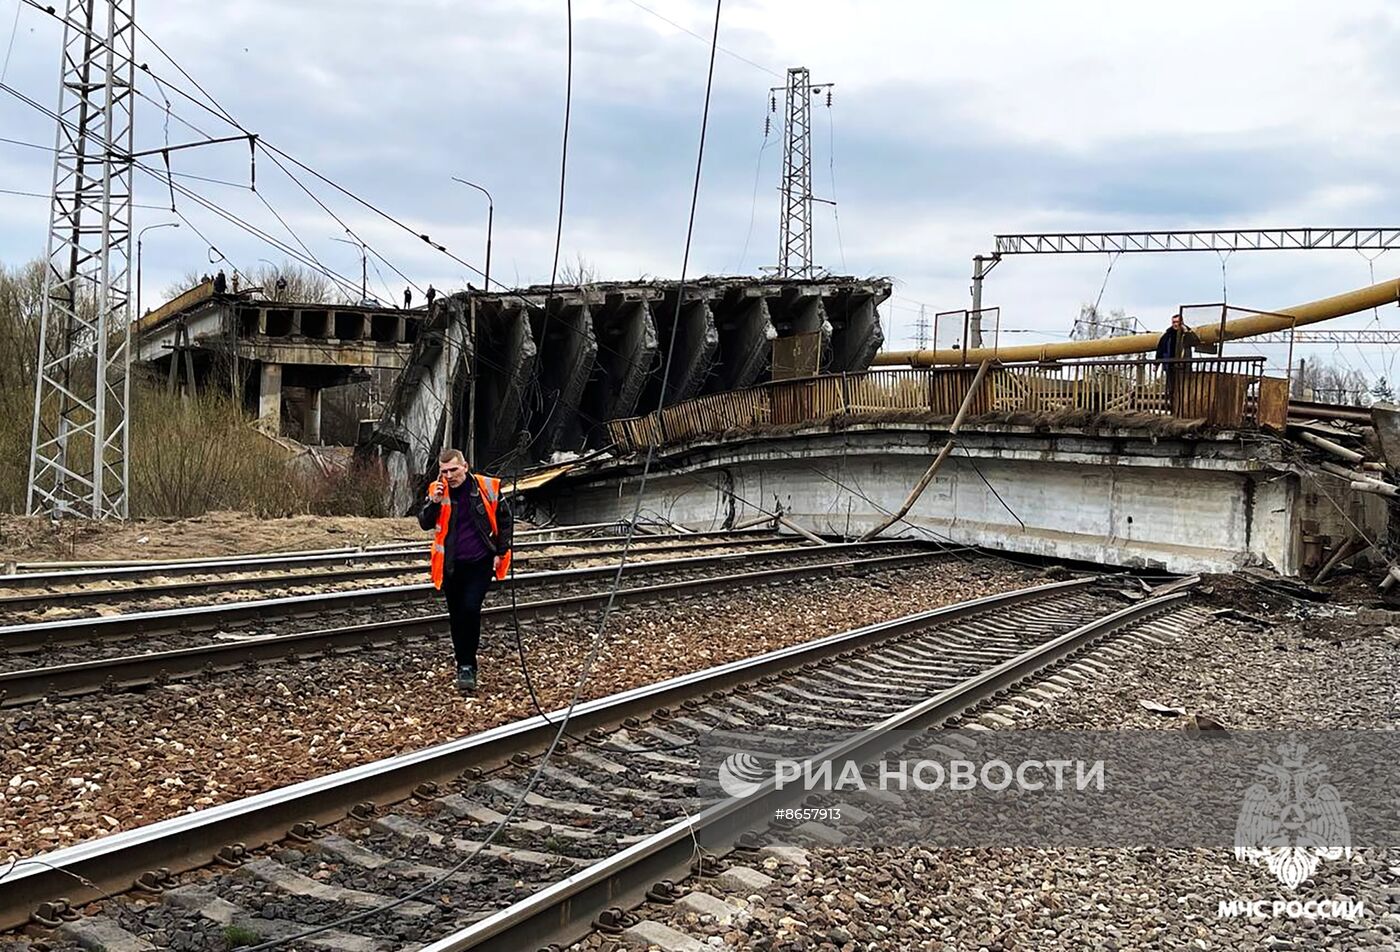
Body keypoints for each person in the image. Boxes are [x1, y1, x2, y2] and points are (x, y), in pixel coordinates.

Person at [418, 448, 513, 695]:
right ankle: (463, 665)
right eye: (445, 471)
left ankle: (468, 665)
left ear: (465, 466)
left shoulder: (486, 488)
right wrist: (434, 502)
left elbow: (505, 520)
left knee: (470, 609)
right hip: (451, 565)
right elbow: (425, 522)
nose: (449, 475)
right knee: (457, 616)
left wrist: (500, 552)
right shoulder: (437, 491)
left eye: (453, 470)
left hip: (480, 563)